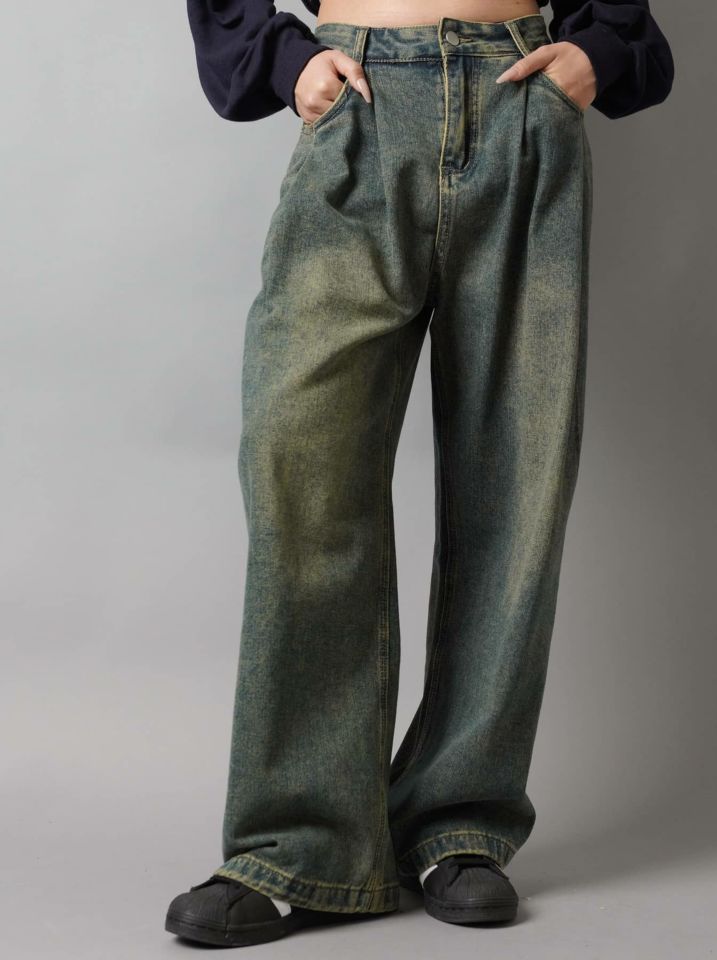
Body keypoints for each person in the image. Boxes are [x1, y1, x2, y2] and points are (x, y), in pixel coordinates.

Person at [166, 0, 674, 946]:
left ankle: (459, 818)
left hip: (522, 97)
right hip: (357, 98)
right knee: (300, 464)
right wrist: (280, 60)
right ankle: (299, 843)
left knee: (516, 475)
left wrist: (598, 53)